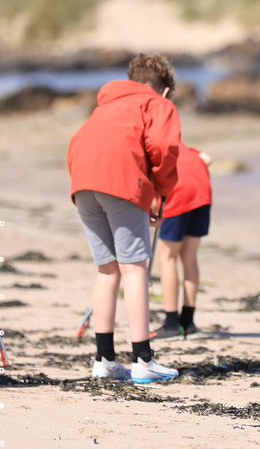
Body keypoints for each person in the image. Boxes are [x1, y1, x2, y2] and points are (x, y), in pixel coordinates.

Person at [67, 53, 182, 384]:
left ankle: (104, 359)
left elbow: (80, 142)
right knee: (134, 268)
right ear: (163, 90)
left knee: (108, 270)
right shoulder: (158, 105)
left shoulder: (106, 105)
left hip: (83, 182)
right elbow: (163, 147)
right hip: (120, 182)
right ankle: (143, 359)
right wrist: (161, 193)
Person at [152, 143, 213, 340]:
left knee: (166, 257)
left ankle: (171, 323)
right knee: (189, 257)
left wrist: (154, 212)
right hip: (202, 198)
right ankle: (188, 322)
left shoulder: (156, 151)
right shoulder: (190, 150)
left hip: (179, 197)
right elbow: (207, 158)